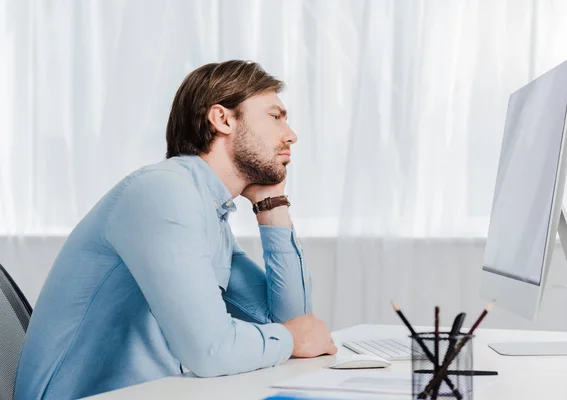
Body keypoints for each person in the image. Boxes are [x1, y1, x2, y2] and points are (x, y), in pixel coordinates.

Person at [14, 60, 337, 400]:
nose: (291, 134)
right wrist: (291, 338)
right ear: (223, 119)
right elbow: (210, 350)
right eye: (276, 116)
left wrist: (271, 205)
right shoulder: (164, 193)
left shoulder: (207, 211)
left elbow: (291, 321)